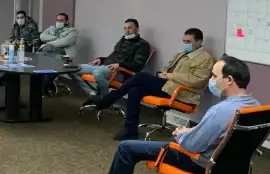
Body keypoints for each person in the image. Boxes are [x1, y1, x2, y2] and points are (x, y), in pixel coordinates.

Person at [82, 55, 259, 174]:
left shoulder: (220, 110)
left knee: (126, 148)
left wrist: (181, 134)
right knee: (182, 136)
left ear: (229, 80)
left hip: (200, 162)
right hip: (229, 166)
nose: (210, 81)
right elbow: (224, 135)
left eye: (214, 76)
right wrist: (191, 132)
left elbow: (192, 146)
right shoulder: (255, 106)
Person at [85, 28, 214, 140]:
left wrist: (170, 76)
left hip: (181, 92)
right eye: (184, 41)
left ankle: (107, 99)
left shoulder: (206, 59)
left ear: (198, 42)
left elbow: (198, 80)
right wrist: (162, 73)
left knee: (140, 76)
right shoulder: (181, 54)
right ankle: (130, 130)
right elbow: (167, 68)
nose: (185, 44)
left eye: (188, 42)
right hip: (167, 85)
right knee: (135, 90)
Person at [70, 18, 150, 99]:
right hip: (105, 66)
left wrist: (120, 64)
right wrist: (101, 59)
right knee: (72, 69)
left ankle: (104, 98)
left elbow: (138, 66)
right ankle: (92, 93)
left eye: (130, 28)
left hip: (121, 72)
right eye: (125, 28)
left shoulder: (143, 45)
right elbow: (113, 57)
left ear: (137, 29)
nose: (127, 31)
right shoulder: (123, 40)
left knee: (98, 72)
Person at [38, 12, 78, 95]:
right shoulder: (52, 28)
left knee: (49, 70)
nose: (58, 22)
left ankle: (45, 90)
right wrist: (55, 38)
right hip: (48, 53)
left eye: (61, 20)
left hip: (63, 56)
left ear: (67, 21)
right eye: (57, 20)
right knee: (38, 61)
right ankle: (45, 89)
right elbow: (42, 36)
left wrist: (50, 42)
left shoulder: (73, 31)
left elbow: (64, 42)